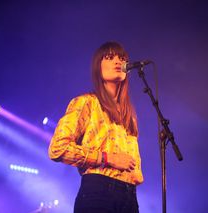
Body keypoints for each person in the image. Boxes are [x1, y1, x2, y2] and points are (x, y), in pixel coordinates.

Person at [48, 41, 144, 213]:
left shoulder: (129, 116)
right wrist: (107, 158)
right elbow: (57, 149)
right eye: (110, 57)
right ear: (97, 66)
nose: (117, 61)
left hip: (129, 196)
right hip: (98, 191)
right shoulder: (86, 102)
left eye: (122, 58)